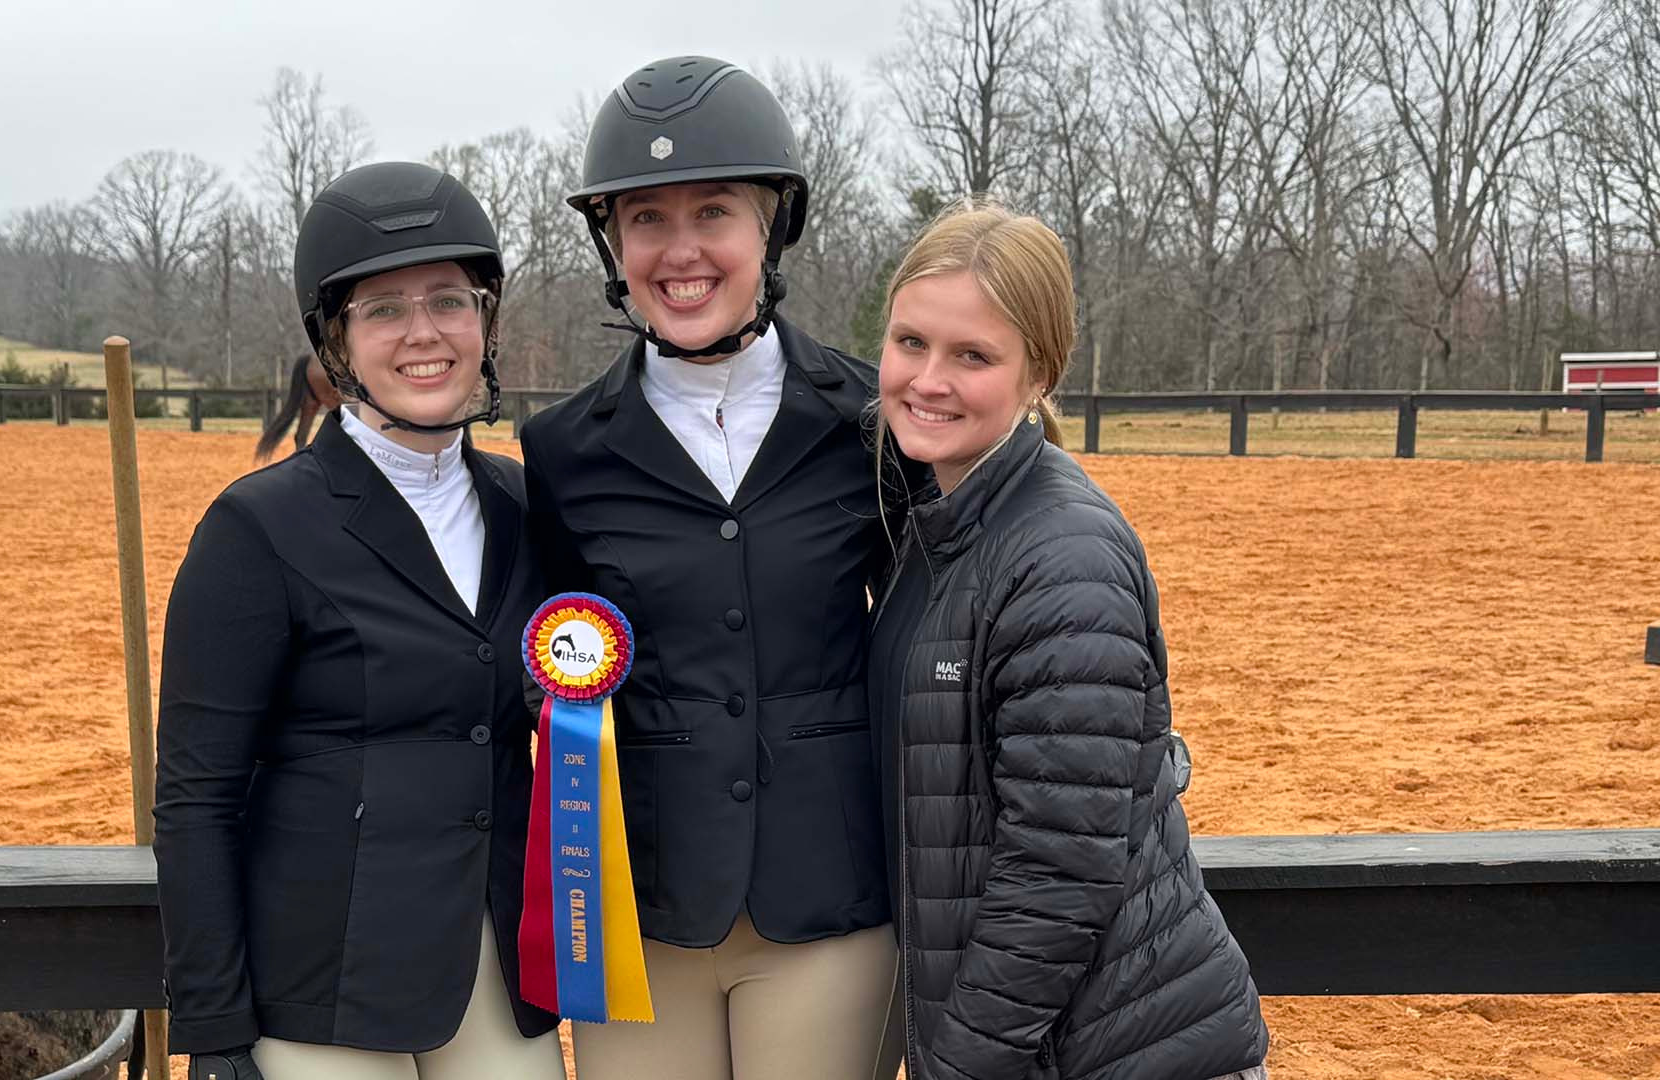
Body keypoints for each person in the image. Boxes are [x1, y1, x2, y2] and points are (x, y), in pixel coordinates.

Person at [519, 56, 904, 1080]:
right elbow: (544, 661)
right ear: (613, 241)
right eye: (646, 218)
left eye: (714, 213)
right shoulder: (562, 451)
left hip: (828, 904)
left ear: (771, 228)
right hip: (640, 919)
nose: (680, 251)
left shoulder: (871, 422)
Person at [153, 161, 566, 1080]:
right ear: (336, 342)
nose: (424, 333)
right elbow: (195, 798)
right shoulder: (257, 528)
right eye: (383, 309)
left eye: (449, 302)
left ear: (485, 323)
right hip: (319, 983)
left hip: (490, 971)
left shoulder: (526, 507)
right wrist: (213, 1028)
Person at [867, 198, 1270, 1080]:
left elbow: (1058, 869)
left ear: (1039, 373)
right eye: (909, 343)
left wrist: (962, 1067)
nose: (927, 379)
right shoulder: (938, 513)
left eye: (972, 355)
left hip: (1110, 1053)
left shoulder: (1062, 556)